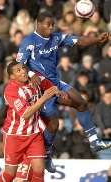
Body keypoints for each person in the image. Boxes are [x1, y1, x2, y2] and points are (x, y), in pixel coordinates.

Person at [17, 11, 111, 172]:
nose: (51, 27)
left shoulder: (56, 37)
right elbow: (18, 64)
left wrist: (96, 39)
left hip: (55, 82)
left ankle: (94, 141)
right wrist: (31, 75)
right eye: (48, 24)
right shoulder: (29, 41)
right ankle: (46, 154)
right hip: (40, 89)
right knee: (54, 124)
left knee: (81, 103)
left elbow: (78, 40)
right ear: (38, 24)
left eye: (53, 24)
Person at [0, 60, 62, 182]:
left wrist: (57, 91)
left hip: (34, 134)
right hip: (15, 136)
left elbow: (51, 86)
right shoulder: (11, 90)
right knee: (10, 174)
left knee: (39, 171)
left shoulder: (35, 80)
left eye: (23, 68)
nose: (23, 72)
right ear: (12, 77)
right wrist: (45, 97)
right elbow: (26, 114)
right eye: (18, 70)